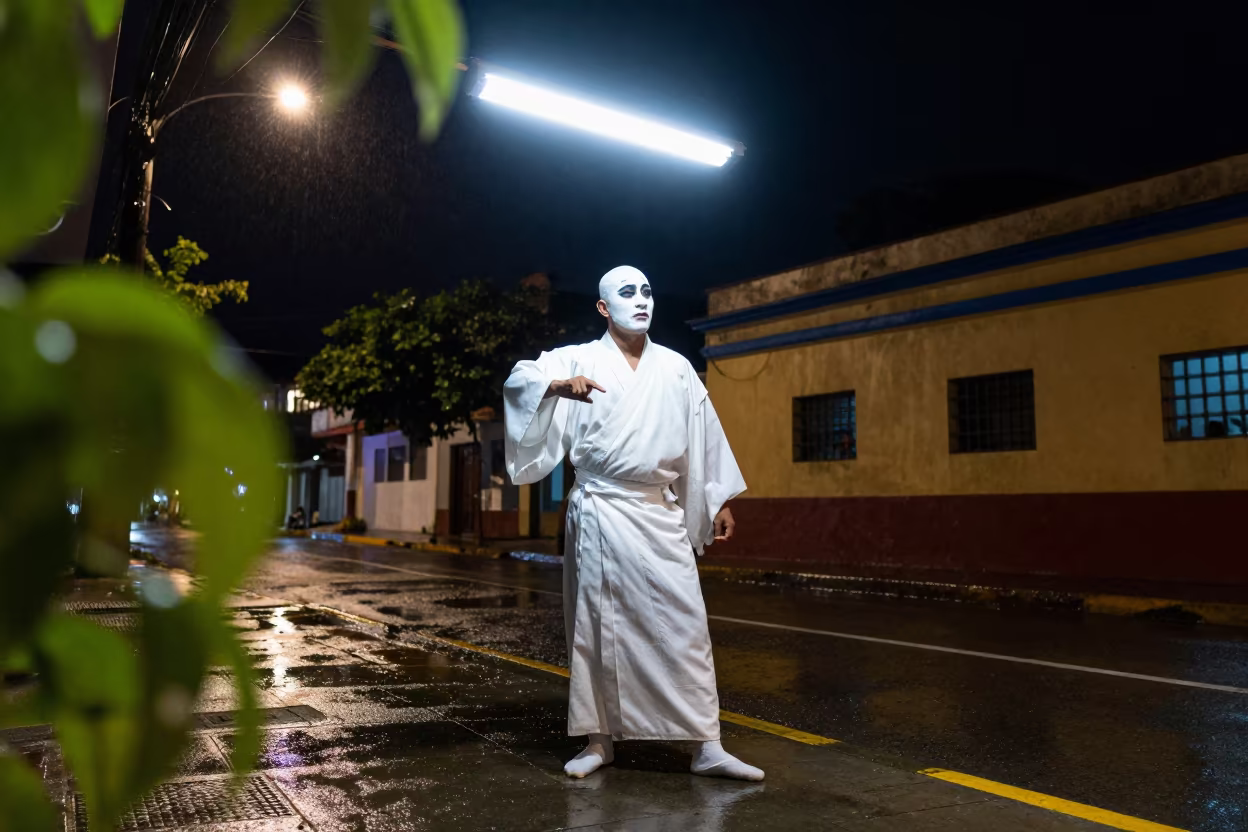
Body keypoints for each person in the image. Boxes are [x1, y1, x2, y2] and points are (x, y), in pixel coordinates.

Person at [504, 265, 763, 782]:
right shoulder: (579, 357)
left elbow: (700, 437)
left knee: (685, 625)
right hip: (601, 509)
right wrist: (557, 385)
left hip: (659, 509)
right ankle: (599, 740)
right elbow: (519, 380)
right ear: (604, 307)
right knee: (597, 627)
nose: (641, 300)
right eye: (626, 292)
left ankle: (706, 744)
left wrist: (715, 500)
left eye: (647, 290)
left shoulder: (675, 368)